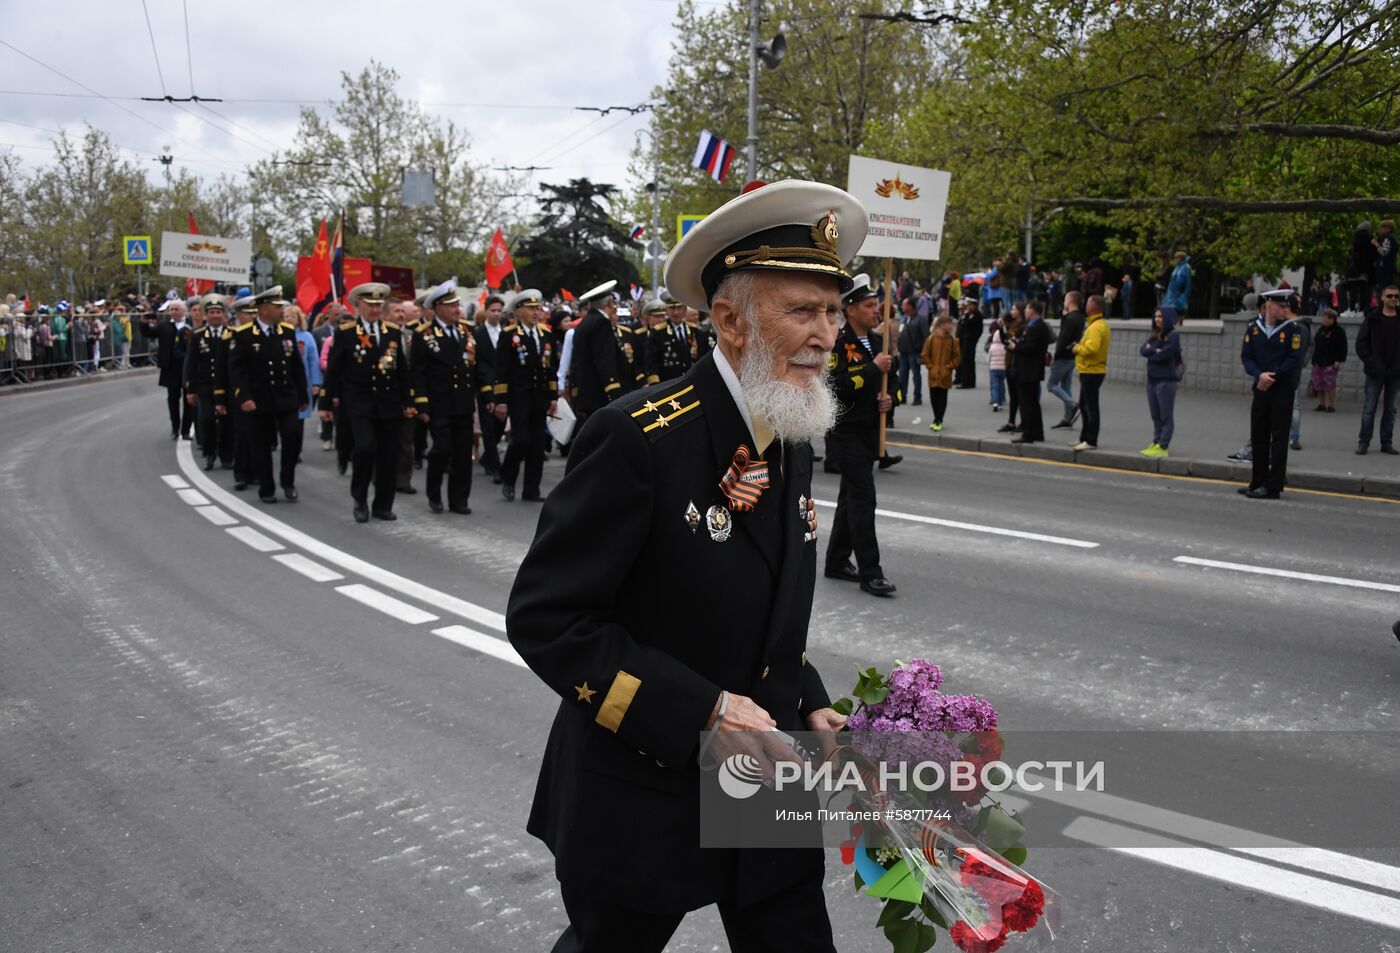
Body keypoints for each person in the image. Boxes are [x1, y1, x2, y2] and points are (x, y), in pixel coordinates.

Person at [506, 181, 854, 952]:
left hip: (765, 773)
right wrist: (701, 711)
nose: (827, 333)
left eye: (833, 311)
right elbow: (547, 617)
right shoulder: (637, 437)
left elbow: (765, 603)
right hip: (644, 782)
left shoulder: (788, 422)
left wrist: (813, 701)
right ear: (730, 320)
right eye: (803, 310)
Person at [824, 274, 899, 597]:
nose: (876, 311)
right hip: (846, 434)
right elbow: (834, 387)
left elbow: (883, 385)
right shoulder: (838, 344)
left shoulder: (877, 343)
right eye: (869, 306)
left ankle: (836, 561)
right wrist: (873, 370)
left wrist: (886, 399)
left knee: (849, 498)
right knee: (863, 499)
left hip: (868, 432)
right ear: (851, 309)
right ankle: (872, 572)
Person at [319, 282, 415, 523]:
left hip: (388, 404)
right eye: (369, 304)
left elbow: (401, 371)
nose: (374, 309)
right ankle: (359, 499)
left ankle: (383, 504)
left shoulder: (392, 331)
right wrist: (325, 404)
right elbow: (334, 371)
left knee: (387, 456)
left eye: (377, 305)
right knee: (364, 449)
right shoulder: (346, 332)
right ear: (358, 305)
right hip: (359, 403)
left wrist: (409, 401)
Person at [225, 287, 309, 504]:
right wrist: (243, 397)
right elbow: (236, 370)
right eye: (276, 306)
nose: (281, 310)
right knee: (260, 444)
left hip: (285, 397)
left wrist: (303, 396)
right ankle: (267, 486)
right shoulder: (243, 335)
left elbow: (296, 367)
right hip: (258, 399)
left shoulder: (287, 332)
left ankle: (287, 480)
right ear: (263, 309)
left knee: (292, 437)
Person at [413, 278, 483, 514]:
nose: (457, 309)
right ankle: (434, 494)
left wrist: (486, 395)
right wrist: (421, 404)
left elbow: (476, 367)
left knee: (463, 454)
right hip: (439, 404)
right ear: (438, 308)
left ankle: (459, 499)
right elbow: (419, 373)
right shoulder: (424, 335)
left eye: (457, 304)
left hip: (463, 403)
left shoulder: (466, 330)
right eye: (451, 305)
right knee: (441, 450)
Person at [493, 289, 558, 502]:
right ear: (519, 311)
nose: (535, 312)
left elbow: (550, 369)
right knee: (521, 440)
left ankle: (531, 489)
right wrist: (501, 401)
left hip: (539, 398)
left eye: (537, 308)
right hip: (518, 397)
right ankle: (508, 478)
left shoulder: (545, 334)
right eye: (530, 309)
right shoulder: (509, 334)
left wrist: (553, 396)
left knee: (537, 446)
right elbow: (501, 370)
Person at [1240, 289, 1303, 498]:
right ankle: (1257, 480)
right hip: (1260, 389)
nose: (1286, 310)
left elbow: (1294, 359)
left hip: (1281, 391)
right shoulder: (1253, 328)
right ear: (1269, 305)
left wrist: (1270, 377)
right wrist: (1259, 375)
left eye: (1287, 306)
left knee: (1279, 438)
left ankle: (1273, 486)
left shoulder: (1294, 330)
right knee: (1258, 436)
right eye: (1281, 306)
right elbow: (1247, 357)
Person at [183, 293, 235, 470]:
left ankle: (227, 455)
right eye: (211, 312)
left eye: (218, 312)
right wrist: (190, 388)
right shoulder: (197, 336)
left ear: (224, 315)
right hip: (205, 386)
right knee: (207, 420)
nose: (215, 316)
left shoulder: (232, 334)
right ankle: (210, 452)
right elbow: (191, 363)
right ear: (206, 315)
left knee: (227, 421)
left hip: (227, 387)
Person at [1354, 283, 1400, 455]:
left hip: (1395, 373)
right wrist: (1373, 363)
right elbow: (1361, 344)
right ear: (1382, 298)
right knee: (1369, 408)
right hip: (1375, 372)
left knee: (1391, 409)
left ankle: (1386, 443)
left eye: (1396, 296)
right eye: (1390, 296)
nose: (1393, 299)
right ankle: (1363, 442)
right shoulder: (1373, 318)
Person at [141, 299, 195, 440]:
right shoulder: (164, 325)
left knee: (189, 399)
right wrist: (144, 324)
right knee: (172, 398)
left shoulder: (191, 325)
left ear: (184, 311)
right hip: (170, 367)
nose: (174, 312)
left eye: (177, 309)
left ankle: (186, 430)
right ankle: (175, 427)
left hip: (187, 366)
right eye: (172, 309)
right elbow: (149, 333)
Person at [1069, 295, 1110, 450]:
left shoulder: (1096, 326)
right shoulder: (1096, 324)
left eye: (1087, 303)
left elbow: (1092, 348)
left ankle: (1091, 440)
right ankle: (1084, 437)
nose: (1085, 306)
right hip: (1089, 370)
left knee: (1090, 407)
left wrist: (1077, 348)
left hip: (1092, 370)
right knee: (1084, 405)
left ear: (1093, 307)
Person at [1138, 308, 1181, 458]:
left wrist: (1153, 352)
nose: (1157, 319)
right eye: (1155, 316)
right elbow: (1143, 350)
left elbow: (1166, 354)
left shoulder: (1173, 335)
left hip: (1166, 381)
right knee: (1155, 415)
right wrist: (1155, 350)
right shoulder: (1155, 335)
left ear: (1167, 318)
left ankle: (1163, 446)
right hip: (1152, 380)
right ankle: (1156, 441)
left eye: (1160, 316)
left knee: (1165, 415)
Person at [1007, 299, 1050, 444]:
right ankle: (1037, 431)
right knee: (1032, 403)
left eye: (1027, 309)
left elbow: (1031, 348)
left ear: (1032, 311)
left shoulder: (1037, 327)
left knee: (1027, 404)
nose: (1025, 311)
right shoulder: (1031, 326)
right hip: (1027, 370)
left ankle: (1028, 433)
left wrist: (1016, 347)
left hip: (1029, 370)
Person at [643, 294, 702, 385]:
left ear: (685, 309)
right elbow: (651, 363)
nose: (676, 313)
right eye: (672, 309)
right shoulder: (657, 332)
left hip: (692, 382)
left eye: (679, 308)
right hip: (668, 384)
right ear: (666, 310)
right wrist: (655, 386)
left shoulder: (695, 330)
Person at [1048, 290, 1085, 429]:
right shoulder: (1079, 317)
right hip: (1072, 355)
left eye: (1065, 300)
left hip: (1063, 356)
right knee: (1066, 386)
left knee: (1051, 385)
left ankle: (1073, 405)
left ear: (1070, 302)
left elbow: (1063, 337)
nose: (1064, 303)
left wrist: (1057, 354)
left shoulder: (1070, 319)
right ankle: (1068, 418)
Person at [920, 312, 960, 431]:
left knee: (943, 397)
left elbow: (957, 357)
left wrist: (949, 366)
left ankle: (938, 419)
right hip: (933, 374)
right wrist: (930, 366)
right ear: (942, 325)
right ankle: (936, 418)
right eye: (949, 324)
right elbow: (925, 354)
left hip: (945, 375)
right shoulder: (931, 339)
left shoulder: (953, 341)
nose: (951, 326)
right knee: (933, 397)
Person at [1310, 308, 1347, 412]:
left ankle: (1331, 405)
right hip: (1319, 360)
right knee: (1318, 384)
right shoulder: (1322, 329)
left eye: (1326, 318)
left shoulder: (1338, 331)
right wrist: (1313, 360)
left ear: (1332, 319)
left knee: (1329, 384)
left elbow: (1342, 347)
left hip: (1330, 361)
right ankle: (1321, 404)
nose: (1323, 320)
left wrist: (1338, 360)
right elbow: (1316, 344)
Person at [985, 309, 1008, 412]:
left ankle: (995, 401)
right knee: (1001, 383)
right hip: (1003, 367)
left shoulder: (992, 346)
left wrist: (989, 364)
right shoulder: (1005, 346)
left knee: (994, 385)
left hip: (993, 367)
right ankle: (1001, 398)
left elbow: (988, 356)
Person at [1163, 251, 1191, 321]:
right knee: (1170, 306)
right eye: (1175, 258)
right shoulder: (1177, 267)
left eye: (1177, 258)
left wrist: (1183, 291)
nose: (1176, 259)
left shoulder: (1186, 267)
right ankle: (1175, 319)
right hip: (1172, 291)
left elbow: (1187, 281)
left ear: (1181, 258)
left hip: (1179, 290)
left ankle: (1180, 318)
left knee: (1178, 306)